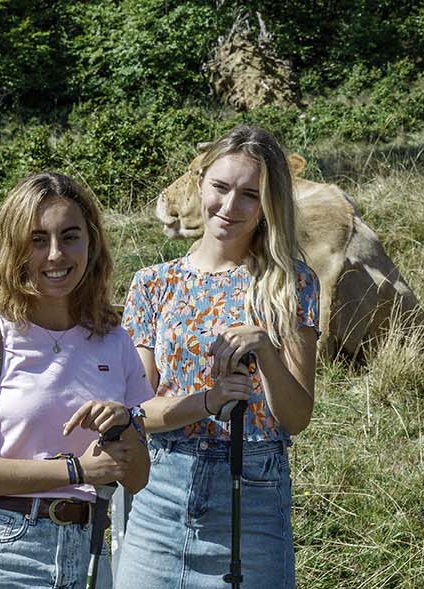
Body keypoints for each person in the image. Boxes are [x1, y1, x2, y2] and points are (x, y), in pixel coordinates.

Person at [117, 125, 320, 587]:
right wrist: (207, 402)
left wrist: (266, 351)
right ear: (201, 181)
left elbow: (295, 417)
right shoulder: (152, 283)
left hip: (254, 488)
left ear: (269, 205)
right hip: (160, 489)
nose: (229, 207)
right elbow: (136, 411)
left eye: (250, 195)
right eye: (220, 188)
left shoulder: (293, 284)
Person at [0, 172, 152, 588]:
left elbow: (138, 477)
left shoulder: (115, 340)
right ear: (14, 248)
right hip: (1, 548)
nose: (56, 254)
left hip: (87, 549)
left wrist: (124, 423)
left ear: (91, 243)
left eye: (70, 237)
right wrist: (76, 471)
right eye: (38, 240)